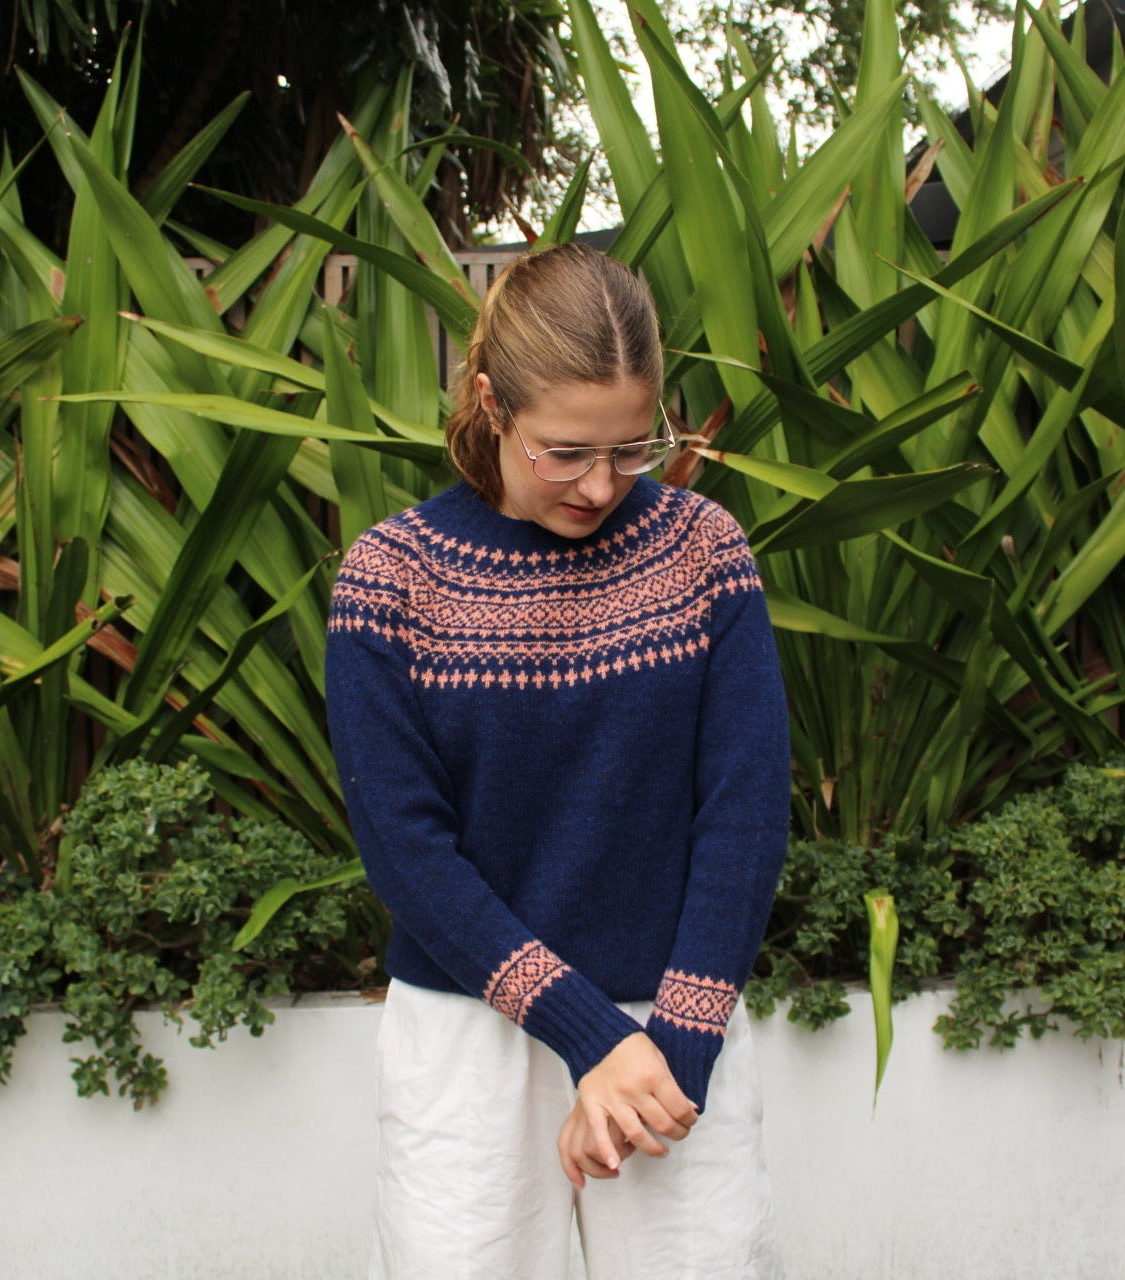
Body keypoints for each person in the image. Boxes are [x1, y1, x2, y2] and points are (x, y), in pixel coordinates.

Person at [325, 242, 791, 1279]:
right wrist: (589, 1035)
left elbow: (745, 812)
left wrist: (669, 1049)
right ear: (492, 402)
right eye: (564, 450)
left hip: (673, 1023)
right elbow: (406, 850)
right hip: (468, 1035)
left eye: (631, 450)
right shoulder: (392, 579)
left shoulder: (702, 552)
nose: (598, 485)